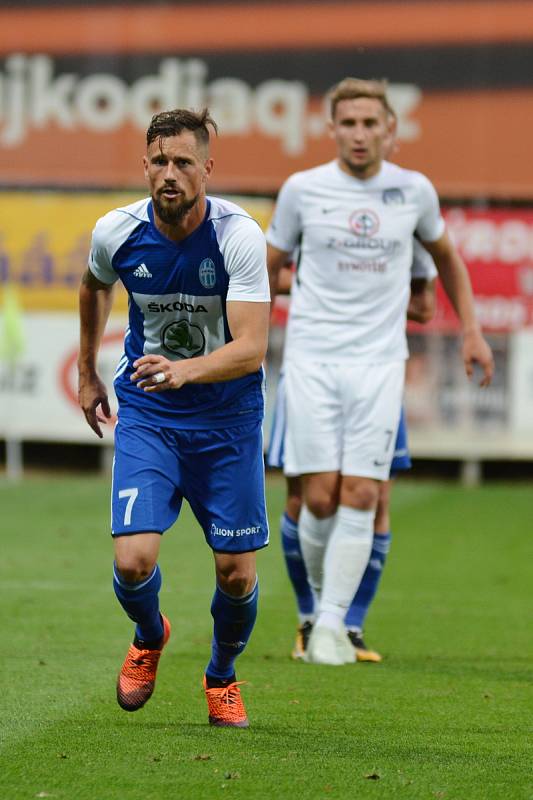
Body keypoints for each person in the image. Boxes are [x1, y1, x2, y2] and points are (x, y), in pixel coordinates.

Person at [266, 77, 493, 666]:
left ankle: (333, 628)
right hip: (312, 360)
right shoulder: (302, 190)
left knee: (365, 492)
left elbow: (446, 261)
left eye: (371, 123)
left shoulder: (413, 192)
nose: (360, 134)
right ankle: (315, 614)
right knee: (317, 500)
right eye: (350, 123)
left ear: (391, 130)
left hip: (379, 363)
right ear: (331, 128)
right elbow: (266, 270)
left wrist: (471, 331)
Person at [77, 108, 270, 726]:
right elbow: (93, 286)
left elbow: (252, 347)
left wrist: (186, 369)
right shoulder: (117, 230)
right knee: (132, 560)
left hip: (227, 418)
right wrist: (87, 372)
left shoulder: (237, 236)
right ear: (145, 165)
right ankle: (150, 634)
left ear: (207, 168)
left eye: (183, 162)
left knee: (236, 575)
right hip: (151, 414)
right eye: (159, 161)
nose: (170, 173)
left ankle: (221, 674)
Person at [267, 244, 437, 663]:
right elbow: (270, 275)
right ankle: (310, 618)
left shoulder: (405, 227)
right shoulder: (316, 210)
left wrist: (374, 291)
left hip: (375, 375)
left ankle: (350, 624)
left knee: (375, 499)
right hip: (312, 373)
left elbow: (425, 306)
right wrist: (325, 285)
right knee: (307, 497)